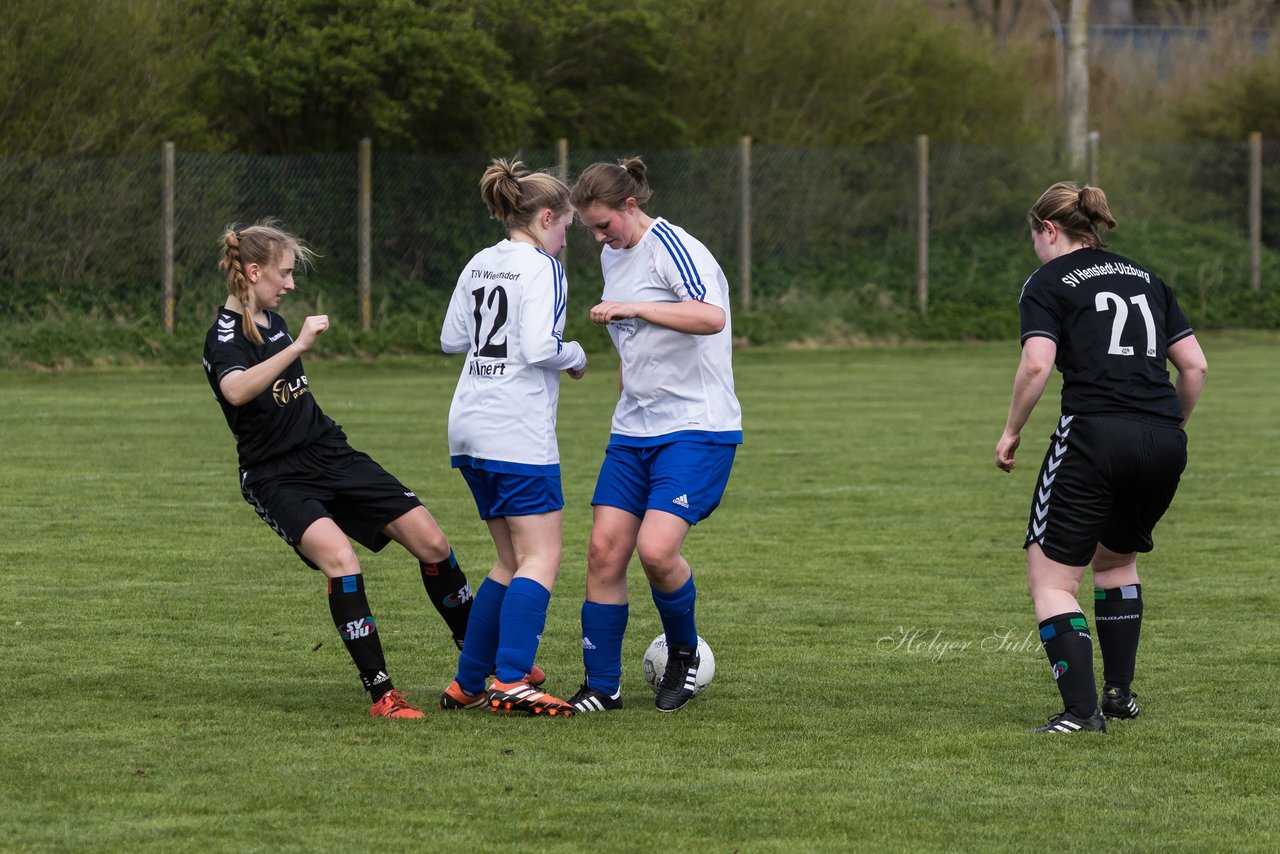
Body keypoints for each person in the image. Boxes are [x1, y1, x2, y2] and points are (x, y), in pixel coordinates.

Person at [203, 221, 476, 719]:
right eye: (283, 274)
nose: (290, 284)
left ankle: (479, 661)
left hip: (329, 452)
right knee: (341, 560)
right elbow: (237, 390)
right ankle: (383, 693)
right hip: (275, 475)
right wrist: (298, 346)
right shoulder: (224, 336)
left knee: (433, 543)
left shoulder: (272, 318)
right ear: (253, 270)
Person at [995, 182, 1208, 734]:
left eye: (1034, 236)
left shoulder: (1047, 281)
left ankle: (1082, 712)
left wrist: (1011, 430)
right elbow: (1195, 367)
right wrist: (1170, 428)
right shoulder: (1146, 278)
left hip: (1094, 434)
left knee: (1050, 580)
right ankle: (1118, 694)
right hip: (1162, 439)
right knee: (1114, 563)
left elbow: (1037, 365)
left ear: (1049, 230)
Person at [567, 157, 742, 713]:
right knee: (602, 551)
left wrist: (633, 306)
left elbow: (710, 316)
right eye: (591, 229)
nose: (598, 237)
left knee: (657, 550)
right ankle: (602, 686)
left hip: (697, 425)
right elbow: (634, 339)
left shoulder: (675, 247)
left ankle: (684, 655)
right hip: (633, 429)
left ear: (630, 206)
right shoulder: (610, 254)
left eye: (604, 225)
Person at [438, 160, 587, 717]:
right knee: (542, 557)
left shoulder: (481, 261)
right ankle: (510, 680)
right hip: (514, 428)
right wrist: (576, 356)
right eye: (567, 226)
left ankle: (469, 682)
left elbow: (453, 338)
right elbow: (540, 347)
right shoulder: (543, 267)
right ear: (546, 217)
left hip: (469, 424)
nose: (567, 237)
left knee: (509, 561)